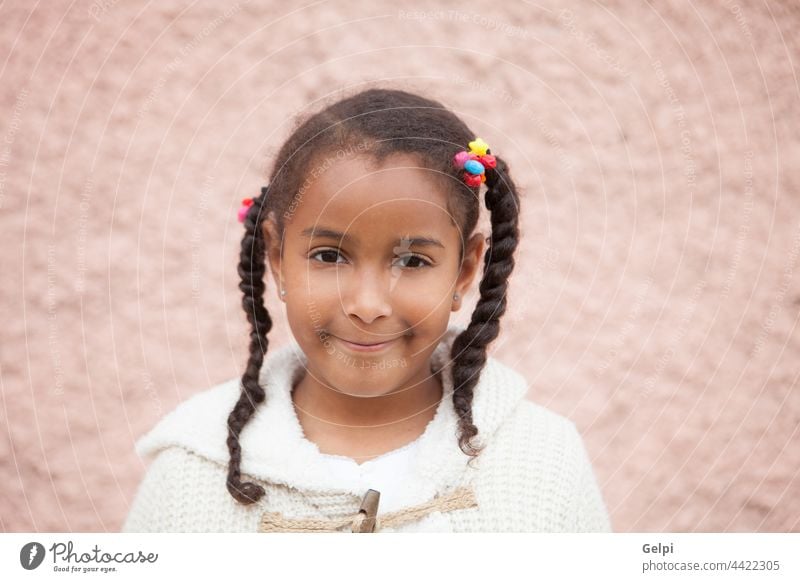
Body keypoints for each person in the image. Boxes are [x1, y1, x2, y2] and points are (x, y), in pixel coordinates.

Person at [122, 87, 611, 533]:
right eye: (329, 256)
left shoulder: (544, 464)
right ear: (277, 258)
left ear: (464, 272)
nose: (367, 305)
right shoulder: (191, 470)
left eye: (413, 261)